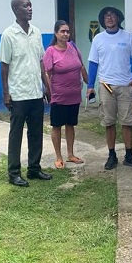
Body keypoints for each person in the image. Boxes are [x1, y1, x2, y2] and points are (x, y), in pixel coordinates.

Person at [0, 0, 53, 187]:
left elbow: (41, 62)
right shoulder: (8, 35)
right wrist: (6, 93)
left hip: (36, 92)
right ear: (16, 10)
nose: (30, 8)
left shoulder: (36, 32)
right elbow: (4, 66)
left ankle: (34, 169)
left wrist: (46, 86)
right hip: (18, 94)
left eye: (30, 5)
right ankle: (14, 173)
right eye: (25, 6)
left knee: (36, 132)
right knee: (16, 134)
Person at [86, 6, 132, 170]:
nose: (110, 18)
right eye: (106, 16)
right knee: (109, 122)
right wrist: (90, 85)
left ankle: (129, 155)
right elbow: (93, 63)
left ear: (118, 18)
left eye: (112, 15)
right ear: (103, 20)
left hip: (126, 86)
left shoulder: (128, 37)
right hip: (106, 86)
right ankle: (111, 155)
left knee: (127, 122)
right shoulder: (98, 39)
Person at [43, 20, 88, 168]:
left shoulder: (73, 47)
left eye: (67, 31)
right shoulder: (50, 51)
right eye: (62, 31)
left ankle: (70, 154)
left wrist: (90, 83)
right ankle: (58, 157)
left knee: (70, 125)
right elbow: (47, 73)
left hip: (74, 96)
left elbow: (81, 66)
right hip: (58, 97)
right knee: (56, 126)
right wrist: (50, 92)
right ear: (56, 33)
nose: (65, 34)